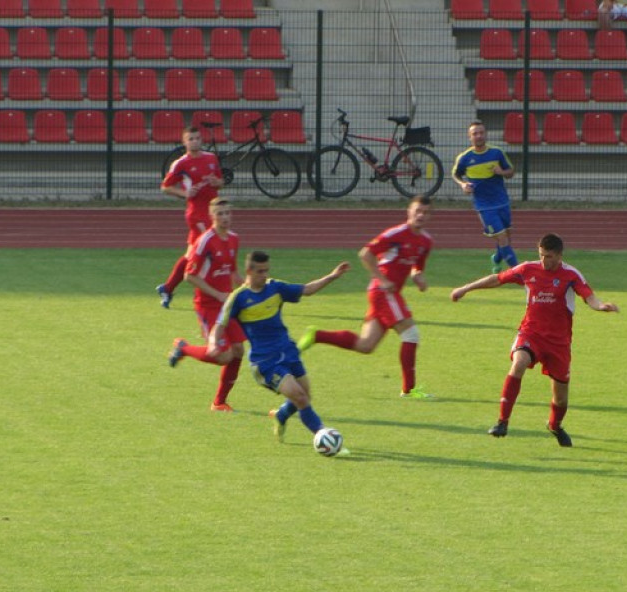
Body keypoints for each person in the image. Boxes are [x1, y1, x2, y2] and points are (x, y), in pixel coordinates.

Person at [450, 233, 619, 447]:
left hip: (558, 343)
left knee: (561, 400)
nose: (543, 261)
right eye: (541, 255)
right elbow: (498, 279)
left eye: (548, 256)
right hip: (531, 333)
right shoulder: (528, 269)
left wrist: (601, 306)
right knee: (518, 363)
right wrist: (465, 288)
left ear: (559, 255)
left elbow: (589, 296)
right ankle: (502, 421)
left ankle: (555, 425)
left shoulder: (571, 275)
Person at [297, 196, 436, 400]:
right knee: (411, 334)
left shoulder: (426, 241)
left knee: (366, 345)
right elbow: (365, 254)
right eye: (418, 211)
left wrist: (418, 277)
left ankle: (317, 335)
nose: (421, 216)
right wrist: (382, 279)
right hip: (383, 292)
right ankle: (409, 389)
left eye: (426, 212)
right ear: (409, 212)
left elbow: (418, 267)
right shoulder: (396, 234)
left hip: (388, 294)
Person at [211, 250, 351, 443]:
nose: (264, 275)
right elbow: (220, 324)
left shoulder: (275, 288)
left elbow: (307, 289)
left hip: (288, 352)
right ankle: (325, 436)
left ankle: (281, 416)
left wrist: (332, 276)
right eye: (260, 271)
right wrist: (214, 344)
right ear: (249, 271)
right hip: (265, 361)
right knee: (300, 398)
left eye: (266, 270)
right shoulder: (239, 298)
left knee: (304, 396)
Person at [167, 197, 245, 411]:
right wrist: (217, 294)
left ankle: (219, 402)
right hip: (207, 305)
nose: (225, 218)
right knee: (221, 356)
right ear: (212, 216)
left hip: (227, 305)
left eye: (228, 213)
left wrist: (250, 285)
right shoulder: (205, 241)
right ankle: (183, 348)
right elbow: (189, 276)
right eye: (220, 214)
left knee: (238, 350)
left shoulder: (234, 239)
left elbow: (232, 272)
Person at [157, 125, 224, 309]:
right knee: (209, 251)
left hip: (213, 212)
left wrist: (216, 182)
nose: (194, 141)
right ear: (184, 142)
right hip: (197, 214)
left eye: (197, 138)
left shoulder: (211, 159)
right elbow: (165, 187)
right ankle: (209, 296)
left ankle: (168, 288)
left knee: (192, 254)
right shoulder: (181, 163)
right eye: (190, 139)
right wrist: (186, 193)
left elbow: (221, 182)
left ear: (202, 140)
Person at [452, 121, 519, 273]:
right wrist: (463, 184)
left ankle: (496, 258)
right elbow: (455, 174)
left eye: (481, 132)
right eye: (475, 133)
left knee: (506, 238)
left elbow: (511, 171)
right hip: (484, 206)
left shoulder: (497, 153)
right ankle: (519, 273)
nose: (479, 136)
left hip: (502, 201)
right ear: (470, 137)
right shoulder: (465, 158)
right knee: (502, 238)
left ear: (486, 134)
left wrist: (501, 172)